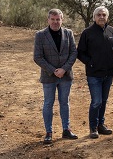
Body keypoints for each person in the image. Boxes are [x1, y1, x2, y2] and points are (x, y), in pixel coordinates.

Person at [34, 8, 78, 144]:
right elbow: (37, 57)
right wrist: (54, 70)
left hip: (65, 76)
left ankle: (66, 129)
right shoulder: (40, 35)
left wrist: (64, 69)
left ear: (62, 19)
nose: (55, 22)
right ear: (48, 20)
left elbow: (73, 53)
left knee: (65, 103)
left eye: (58, 19)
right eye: (52, 19)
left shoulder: (69, 33)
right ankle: (48, 132)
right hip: (49, 76)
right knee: (48, 103)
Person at [77, 6, 113, 139]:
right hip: (94, 74)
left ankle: (101, 125)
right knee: (96, 101)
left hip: (108, 73)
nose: (101, 17)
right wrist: (90, 63)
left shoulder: (111, 31)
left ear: (107, 17)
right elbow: (80, 53)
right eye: (99, 15)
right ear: (94, 17)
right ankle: (93, 128)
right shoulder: (87, 32)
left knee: (104, 100)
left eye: (104, 15)